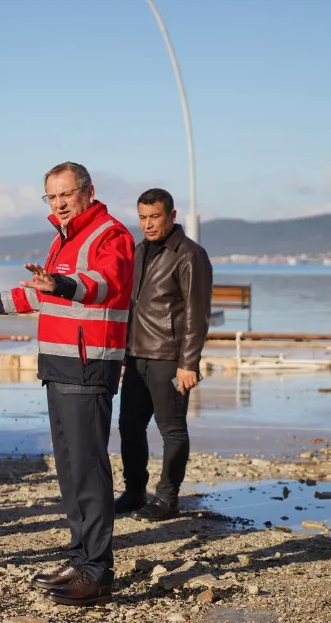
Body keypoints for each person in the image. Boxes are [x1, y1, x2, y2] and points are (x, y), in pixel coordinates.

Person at [0, 162, 134, 607]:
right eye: (51, 197)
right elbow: (41, 292)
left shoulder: (110, 234)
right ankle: (80, 556)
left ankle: (97, 571)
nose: (58, 203)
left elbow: (101, 284)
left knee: (89, 471)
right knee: (70, 470)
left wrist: (62, 282)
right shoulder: (63, 239)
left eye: (65, 194)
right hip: (59, 368)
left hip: (89, 368)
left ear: (88, 191)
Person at [114, 188, 213, 521]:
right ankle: (134, 491)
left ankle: (168, 498)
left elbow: (197, 313)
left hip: (169, 356)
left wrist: (189, 363)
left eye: (154, 217)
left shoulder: (190, 254)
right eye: (142, 217)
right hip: (137, 354)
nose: (148, 224)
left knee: (171, 428)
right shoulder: (139, 250)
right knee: (129, 426)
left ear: (171, 215)